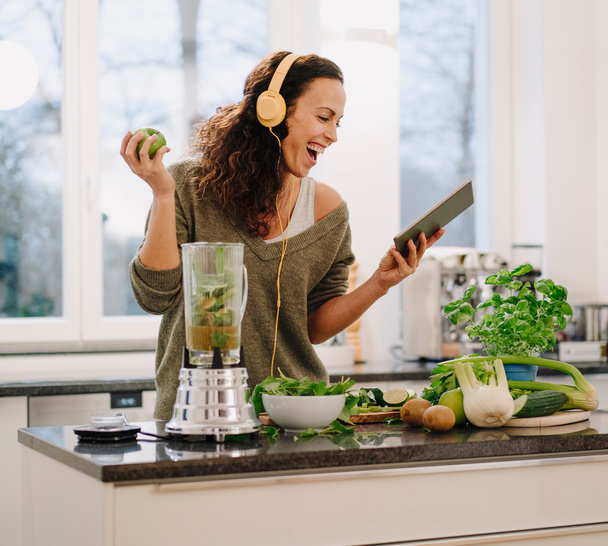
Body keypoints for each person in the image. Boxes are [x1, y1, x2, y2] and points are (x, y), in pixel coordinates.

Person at [122, 52, 444, 421]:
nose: (333, 135)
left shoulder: (328, 210)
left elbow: (314, 327)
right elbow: (155, 296)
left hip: (297, 418)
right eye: (323, 117)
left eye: (338, 122)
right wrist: (162, 194)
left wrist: (380, 283)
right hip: (199, 414)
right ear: (272, 110)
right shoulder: (186, 186)